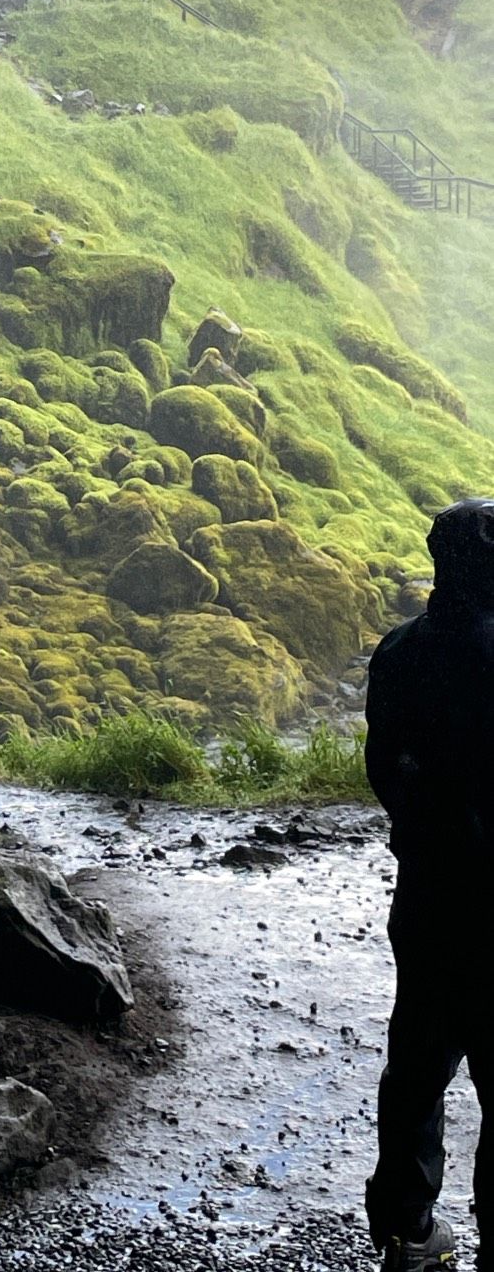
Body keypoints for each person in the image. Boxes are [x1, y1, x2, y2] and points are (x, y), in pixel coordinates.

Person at [365, 498, 494, 1272]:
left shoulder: (399, 649)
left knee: (416, 1062)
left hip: (425, 891)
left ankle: (407, 1230)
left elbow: (385, 768)